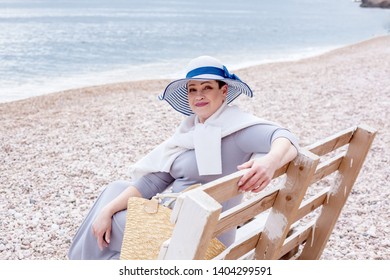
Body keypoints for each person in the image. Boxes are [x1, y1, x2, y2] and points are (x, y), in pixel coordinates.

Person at [68, 56, 299, 260]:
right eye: (192, 89)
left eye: (207, 87)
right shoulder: (190, 132)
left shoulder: (237, 129)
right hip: (179, 222)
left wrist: (270, 162)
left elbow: (284, 137)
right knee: (115, 191)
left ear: (224, 91)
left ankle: (80, 265)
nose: (198, 95)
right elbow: (152, 181)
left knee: (98, 228)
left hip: (195, 235)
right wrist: (107, 211)